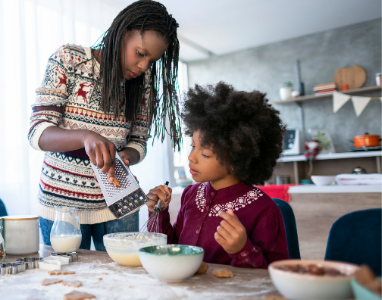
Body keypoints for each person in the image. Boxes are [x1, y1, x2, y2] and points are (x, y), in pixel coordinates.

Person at [27, 0, 182, 251]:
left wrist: (125, 157)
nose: (144, 67)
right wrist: (85, 137)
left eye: (152, 61)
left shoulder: (143, 83)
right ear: (121, 34)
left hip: (121, 202)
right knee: (67, 283)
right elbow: (38, 132)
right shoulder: (68, 59)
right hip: (63, 206)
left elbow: (138, 142)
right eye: (141, 54)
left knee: (122, 283)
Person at [146, 82, 290, 268]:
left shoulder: (264, 210)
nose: (191, 157)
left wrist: (242, 249)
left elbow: (275, 276)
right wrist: (158, 213)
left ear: (235, 159)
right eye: (193, 146)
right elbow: (173, 249)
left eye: (205, 153)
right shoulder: (191, 194)